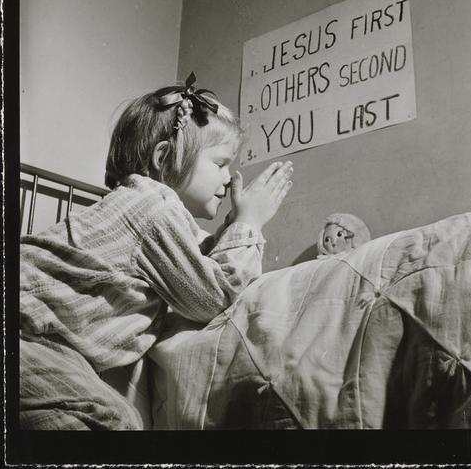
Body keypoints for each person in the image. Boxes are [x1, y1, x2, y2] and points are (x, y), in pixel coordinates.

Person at [19, 72, 293, 430]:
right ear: (164, 157)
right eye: (220, 163)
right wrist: (249, 224)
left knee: (114, 417)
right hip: (26, 334)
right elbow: (213, 296)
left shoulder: (151, 213)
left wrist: (232, 227)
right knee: (113, 420)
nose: (229, 179)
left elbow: (197, 265)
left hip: (38, 339)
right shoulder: (151, 206)